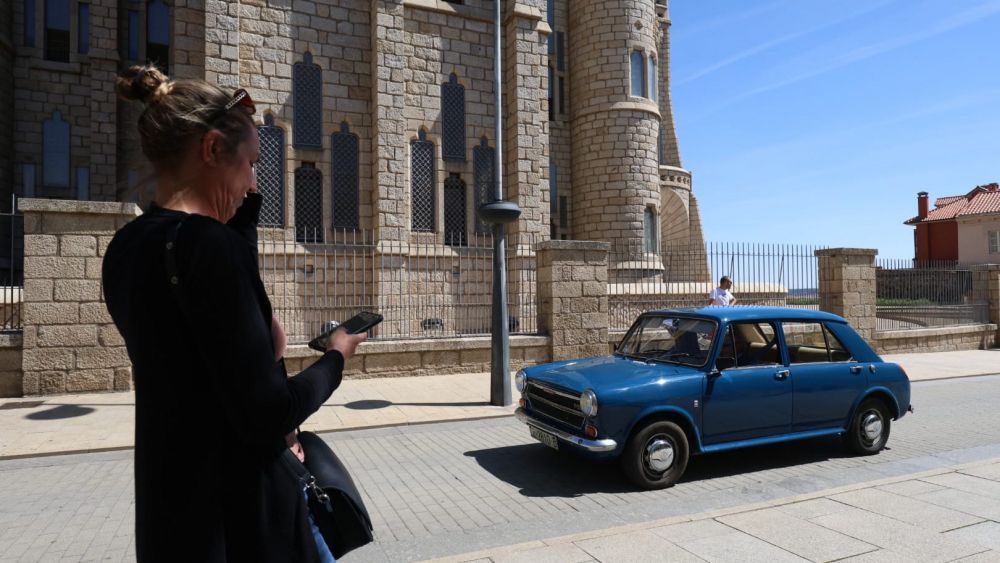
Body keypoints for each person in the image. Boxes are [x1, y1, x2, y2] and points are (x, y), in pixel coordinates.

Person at [102, 65, 366, 562]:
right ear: (211, 151)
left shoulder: (126, 247)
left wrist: (237, 232)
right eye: (249, 165)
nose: (251, 185)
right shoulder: (210, 249)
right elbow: (268, 412)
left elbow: (201, 359)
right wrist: (336, 359)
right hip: (238, 522)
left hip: (170, 515)